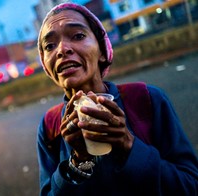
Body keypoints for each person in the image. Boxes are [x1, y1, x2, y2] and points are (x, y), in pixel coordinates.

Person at [36, 2, 198, 196]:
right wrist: (77, 163)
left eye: (78, 36)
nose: (62, 49)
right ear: (46, 66)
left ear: (103, 51)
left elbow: (190, 186)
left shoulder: (146, 99)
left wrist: (129, 145)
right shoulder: (50, 126)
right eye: (49, 45)